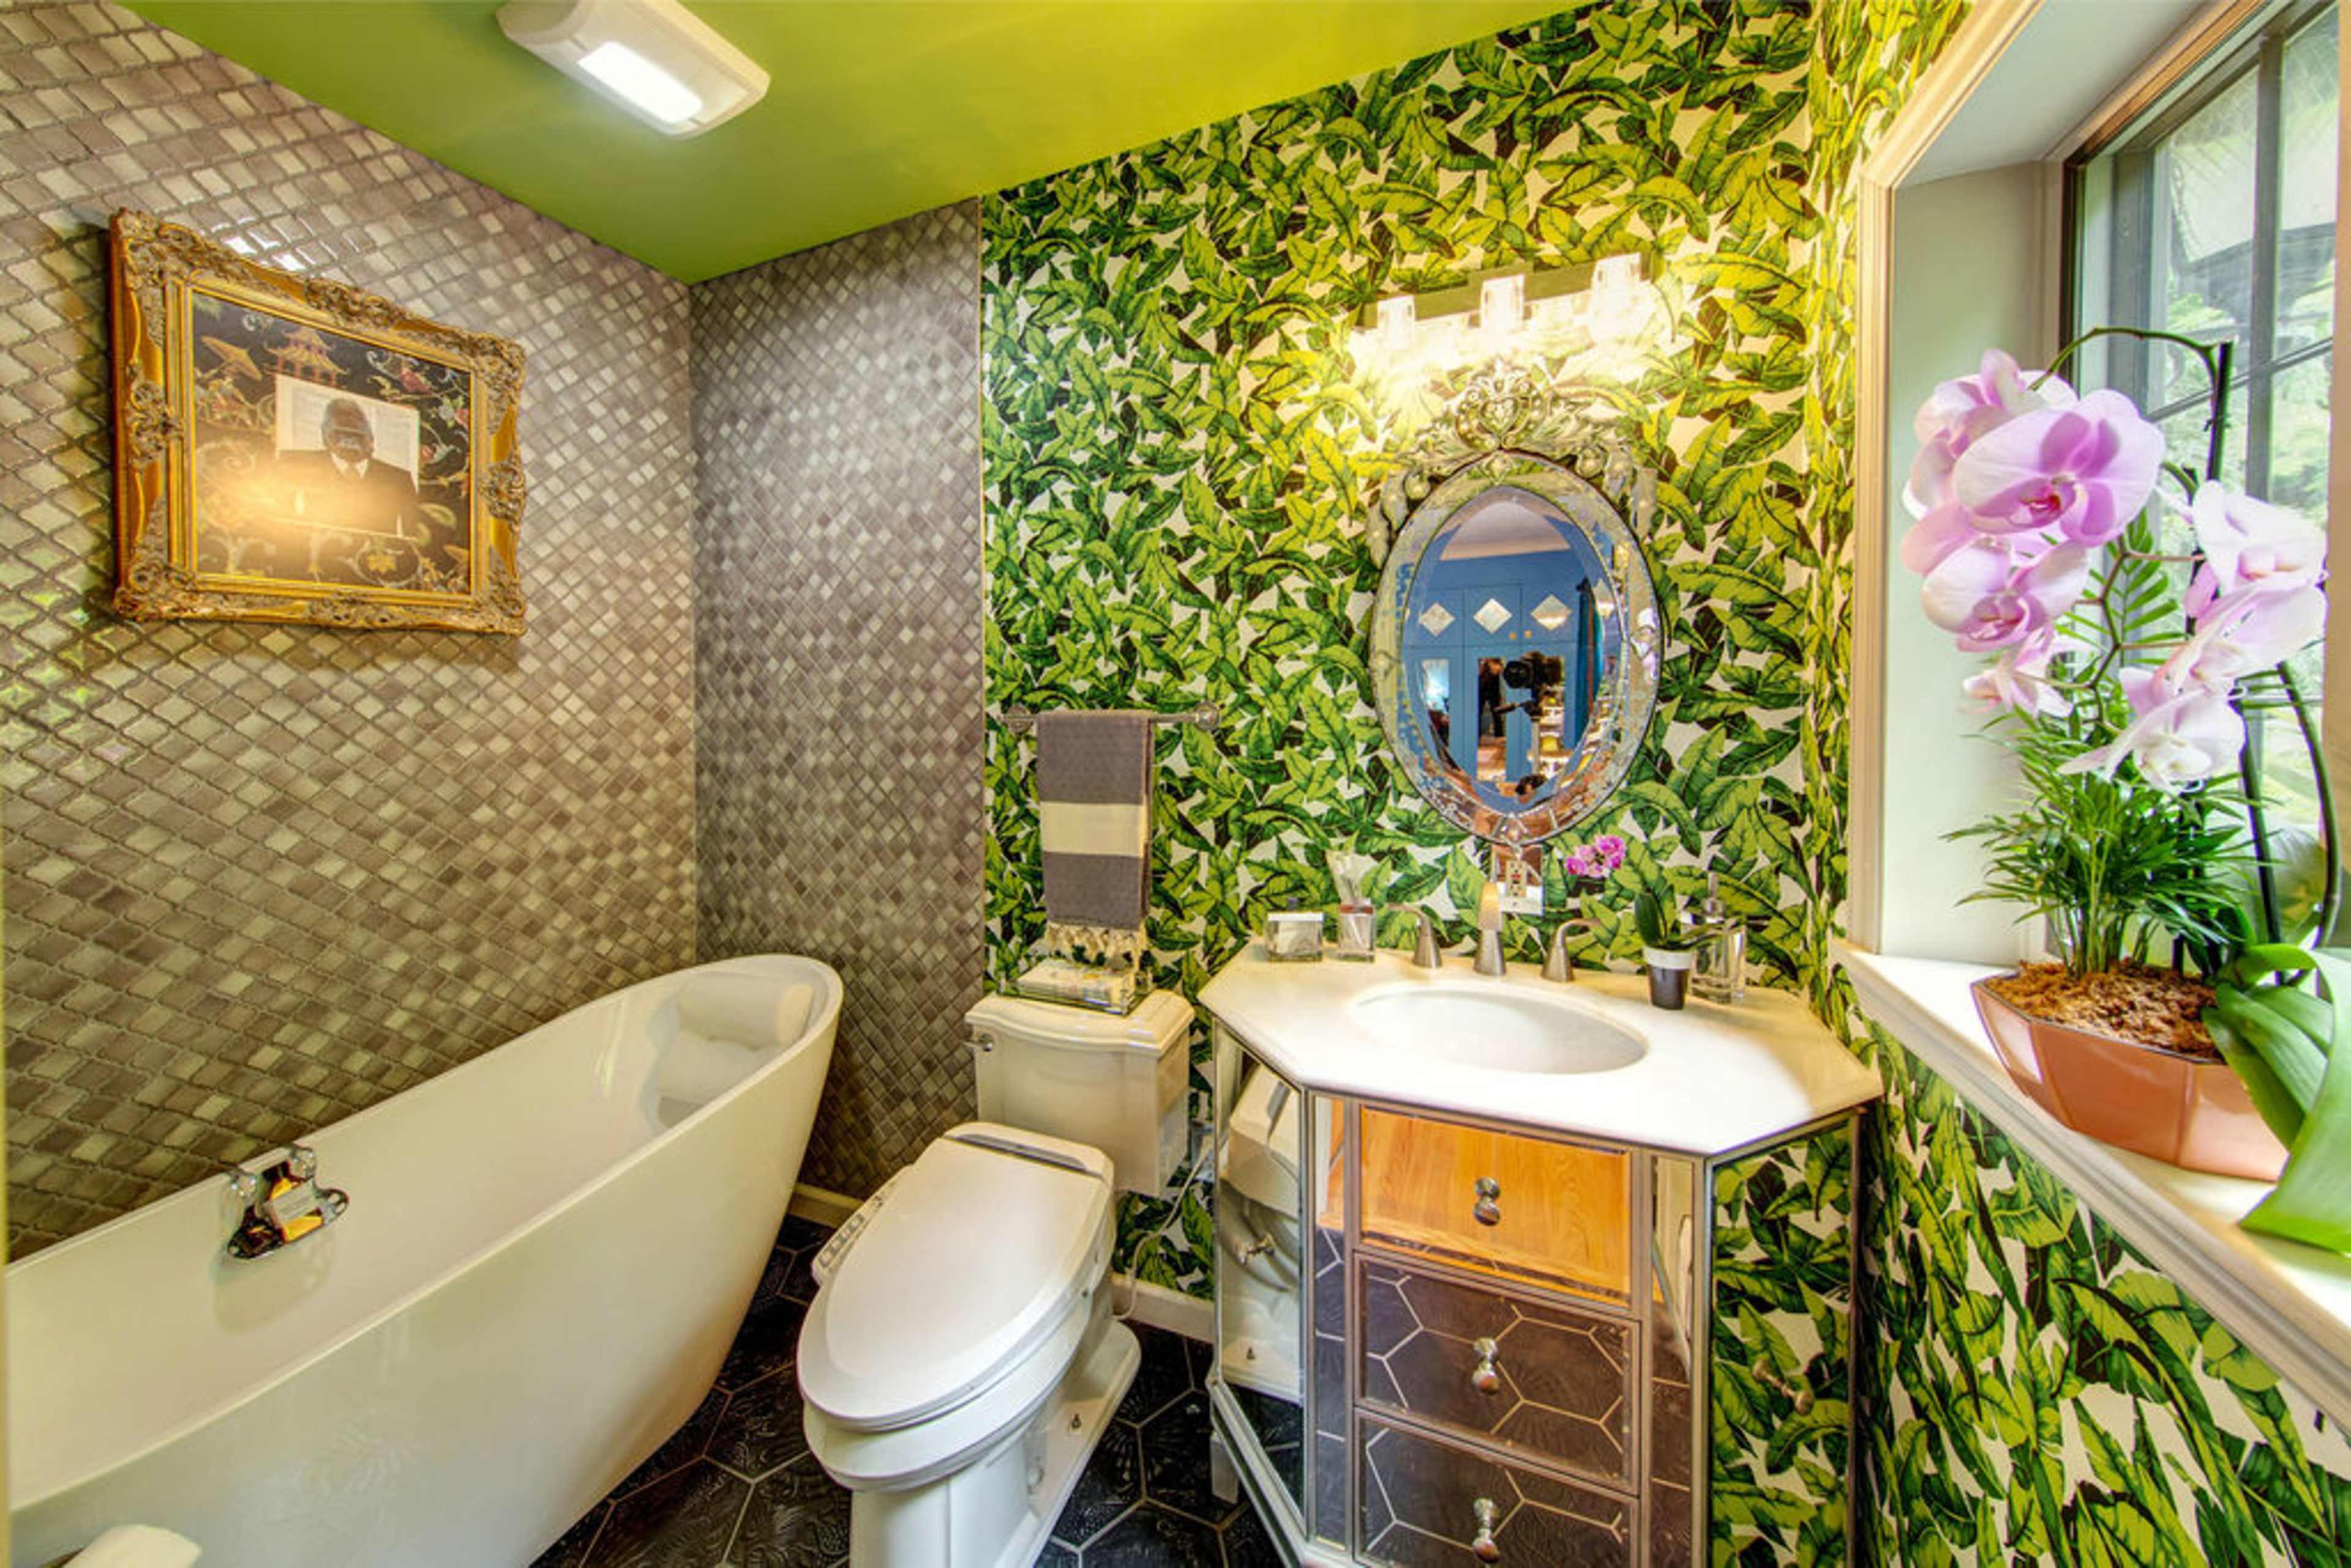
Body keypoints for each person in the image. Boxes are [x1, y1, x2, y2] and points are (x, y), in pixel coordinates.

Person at [274, 397, 419, 538]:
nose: (349, 442)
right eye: (340, 434)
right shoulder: (294, 463)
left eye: (356, 436)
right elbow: (276, 523)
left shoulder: (399, 479)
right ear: (325, 435)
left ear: (371, 439)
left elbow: (414, 536)